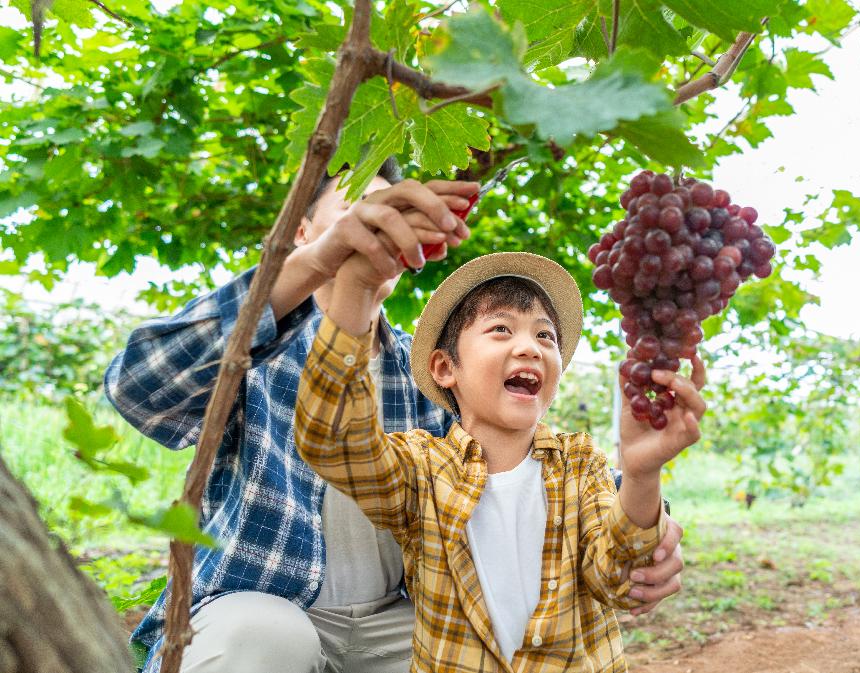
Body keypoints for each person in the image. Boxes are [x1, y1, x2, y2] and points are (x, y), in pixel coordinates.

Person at [105, 161, 685, 673]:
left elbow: (528, 468)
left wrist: (646, 519)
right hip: (262, 605)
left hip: (398, 619)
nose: (376, 231)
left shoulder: (436, 373)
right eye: (358, 213)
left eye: (391, 218)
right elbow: (138, 386)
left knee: (480, 646)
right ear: (303, 235)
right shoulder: (251, 349)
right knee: (260, 639)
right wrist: (313, 268)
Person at [294, 251, 706, 672]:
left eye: (545, 337)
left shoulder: (582, 466)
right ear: (444, 367)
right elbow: (332, 439)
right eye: (500, 329)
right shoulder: (420, 470)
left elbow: (618, 579)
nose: (529, 347)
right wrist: (356, 292)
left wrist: (641, 474)